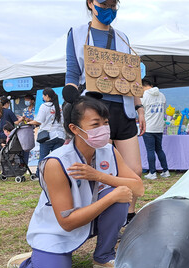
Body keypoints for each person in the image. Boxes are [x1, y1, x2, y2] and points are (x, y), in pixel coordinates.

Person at [7, 94, 144, 268]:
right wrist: (110, 196)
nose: (104, 129)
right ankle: (29, 261)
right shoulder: (57, 162)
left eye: (106, 123)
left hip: (89, 220)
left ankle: (103, 255)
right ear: (74, 129)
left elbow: (138, 188)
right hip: (56, 231)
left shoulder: (109, 151)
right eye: (96, 124)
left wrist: (99, 176)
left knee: (119, 192)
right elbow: (67, 222)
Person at [65, 0, 146, 225]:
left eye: (113, 4)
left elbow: (132, 77)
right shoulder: (77, 33)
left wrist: (139, 107)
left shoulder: (122, 37)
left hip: (124, 108)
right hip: (95, 107)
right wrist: (70, 94)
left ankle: (128, 216)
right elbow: (72, 72)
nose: (108, 8)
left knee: (134, 169)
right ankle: (106, 216)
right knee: (105, 167)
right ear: (91, 3)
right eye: (104, 3)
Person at [27, 88, 66, 177]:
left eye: (43, 95)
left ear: (47, 96)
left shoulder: (44, 106)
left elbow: (39, 121)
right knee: (57, 158)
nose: (43, 97)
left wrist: (30, 122)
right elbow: (63, 121)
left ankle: (39, 175)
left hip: (47, 136)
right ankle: (58, 174)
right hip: (60, 135)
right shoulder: (59, 107)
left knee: (43, 157)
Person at [141, 79, 169, 180]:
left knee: (150, 150)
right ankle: (166, 171)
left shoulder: (143, 96)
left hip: (148, 127)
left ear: (142, 86)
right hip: (159, 127)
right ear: (151, 85)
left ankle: (152, 173)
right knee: (159, 149)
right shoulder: (162, 95)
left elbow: (140, 111)